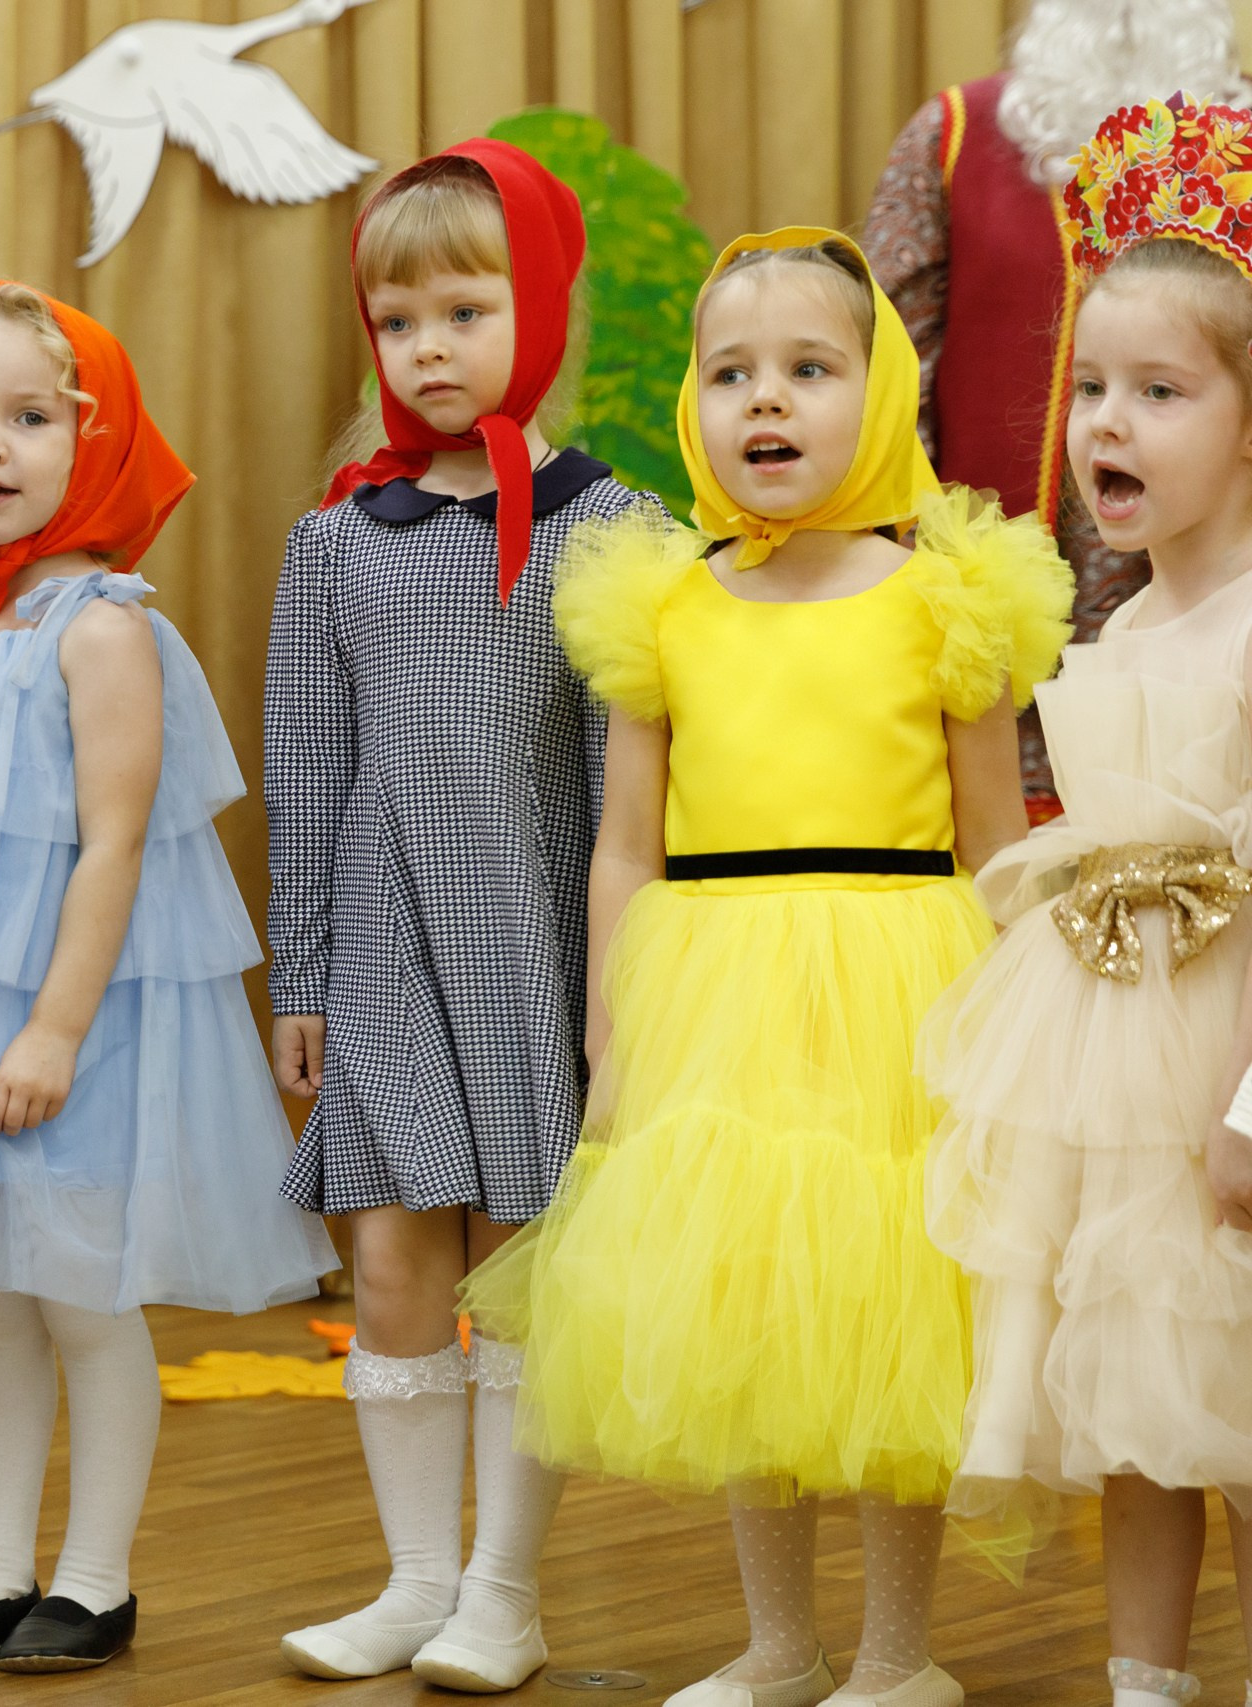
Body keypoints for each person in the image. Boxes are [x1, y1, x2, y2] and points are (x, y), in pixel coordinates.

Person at [461, 230, 1071, 1707]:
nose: (767, 400)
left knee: (889, 1314)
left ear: (883, 392)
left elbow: (1000, 846)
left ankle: (898, 1652)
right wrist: (611, 1024)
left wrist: (1014, 1046)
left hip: (900, 988)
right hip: (714, 993)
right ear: (694, 403)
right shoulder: (664, 599)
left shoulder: (950, 596)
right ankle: (782, 1643)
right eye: (731, 373)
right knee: (749, 1311)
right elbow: (624, 846)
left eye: (810, 368)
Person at [0, 281, 336, 1673]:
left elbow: (112, 847)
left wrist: (52, 1026)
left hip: (75, 1018)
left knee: (87, 1298)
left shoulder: (106, 628)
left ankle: (96, 1576)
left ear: (92, 438)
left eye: (30, 417)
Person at [262, 140, 662, 1692]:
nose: (431, 349)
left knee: (515, 1266)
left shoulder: (613, 529)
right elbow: (309, 761)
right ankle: (416, 1576)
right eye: (400, 320)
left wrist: (615, 989)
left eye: (467, 310)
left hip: (532, 944)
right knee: (390, 1263)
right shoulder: (334, 538)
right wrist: (301, 959)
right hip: (377, 939)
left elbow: (629, 798)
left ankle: (507, 1586)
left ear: (538, 307)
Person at [922, 94, 1252, 1707]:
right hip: (1121, 1062)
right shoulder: (1115, 636)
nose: (1103, 423)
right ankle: (1147, 1684)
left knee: (1236, 1387)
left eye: (1162, 392)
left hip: (1227, 1064)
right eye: (1095, 386)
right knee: (1144, 1395)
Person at [861, 0, 1249, 812]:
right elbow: (886, 381)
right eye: (1091, 387)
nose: (1107, 414)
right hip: (991, 681)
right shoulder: (950, 135)